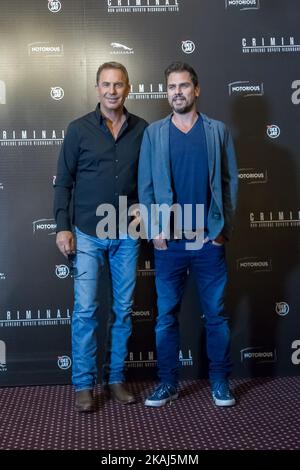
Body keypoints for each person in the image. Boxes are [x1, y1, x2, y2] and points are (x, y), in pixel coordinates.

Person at [138, 61, 238, 407]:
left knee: (216, 315)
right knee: (166, 317)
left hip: (208, 240)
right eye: (171, 87)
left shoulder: (217, 131)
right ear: (166, 92)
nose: (177, 92)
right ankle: (167, 383)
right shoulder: (154, 134)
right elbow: (146, 188)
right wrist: (155, 231)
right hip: (170, 243)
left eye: (183, 86)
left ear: (196, 90)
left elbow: (228, 183)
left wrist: (223, 229)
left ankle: (221, 382)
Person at [54, 62, 148, 412]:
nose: (112, 90)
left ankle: (116, 379)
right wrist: (62, 226)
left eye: (118, 85)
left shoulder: (143, 130)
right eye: (106, 84)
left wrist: (142, 207)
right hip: (88, 234)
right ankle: (83, 384)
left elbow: (148, 181)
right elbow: (63, 182)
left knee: (123, 311)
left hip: (127, 233)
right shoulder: (78, 130)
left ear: (128, 88)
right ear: (97, 89)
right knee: (86, 311)